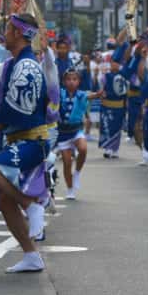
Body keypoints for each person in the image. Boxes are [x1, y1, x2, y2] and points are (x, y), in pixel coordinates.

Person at [0, 13, 51, 273]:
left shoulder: (27, 66)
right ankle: (31, 255)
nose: (3, 34)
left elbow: (12, 109)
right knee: (5, 203)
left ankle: (31, 205)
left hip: (33, 141)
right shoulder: (12, 64)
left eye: (7, 29)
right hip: (19, 140)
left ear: (18, 33)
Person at [56, 69, 98, 200]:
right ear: (64, 82)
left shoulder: (81, 94)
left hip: (76, 130)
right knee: (67, 163)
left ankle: (78, 172)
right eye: (68, 79)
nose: (71, 82)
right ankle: (70, 189)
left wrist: (99, 94)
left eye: (74, 79)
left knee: (83, 149)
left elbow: (90, 96)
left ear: (79, 82)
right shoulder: (60, 93)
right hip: (62, 132)